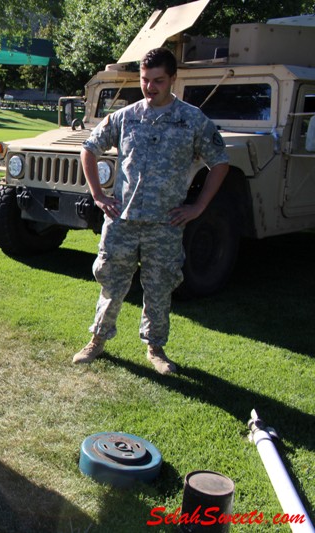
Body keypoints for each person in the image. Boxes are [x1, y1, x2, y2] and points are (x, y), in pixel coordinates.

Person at [73, 47, 229, 374]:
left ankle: (155, 348)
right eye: (145, 80)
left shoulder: (192, 120)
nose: (150, 87)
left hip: (165, 224)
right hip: (122, 222)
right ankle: (97, 340)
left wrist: (198, 206)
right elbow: (89, 149)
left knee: (159, 287)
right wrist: (99, 196)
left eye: (158, 80)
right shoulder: (126, 116)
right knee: (111, 283)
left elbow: (220, 162)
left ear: (173, 79)